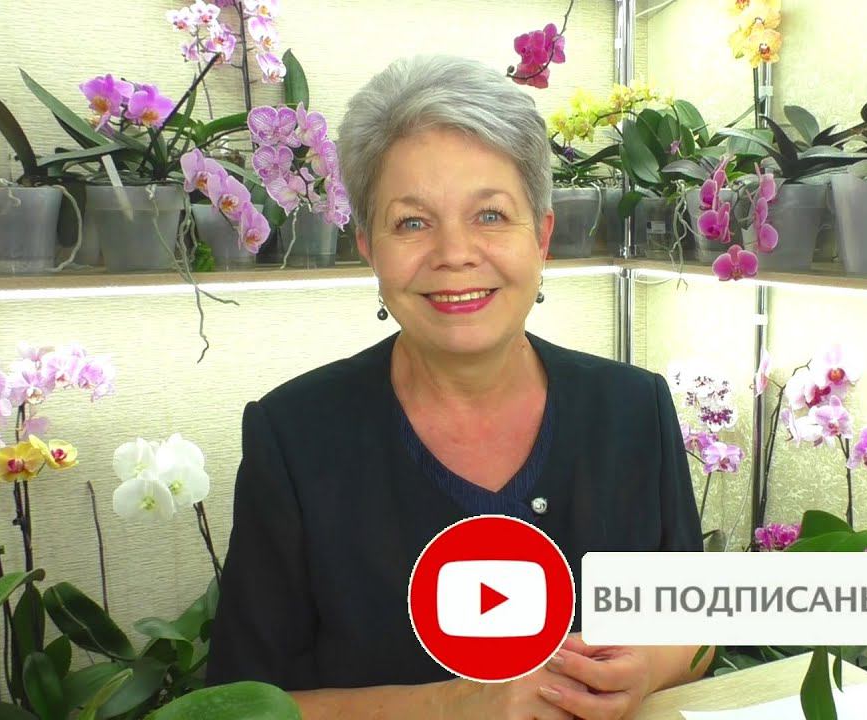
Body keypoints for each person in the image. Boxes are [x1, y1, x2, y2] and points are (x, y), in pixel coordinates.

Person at [207, 54, 712, 719]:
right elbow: (241, 705)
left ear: (542, 237)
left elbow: (696, 629)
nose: (454, 254)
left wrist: (645, 667)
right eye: (412, 223)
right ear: (368, 247)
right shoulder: (295, 436)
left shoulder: (632, 408)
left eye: (491, 216)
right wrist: (454, 706)